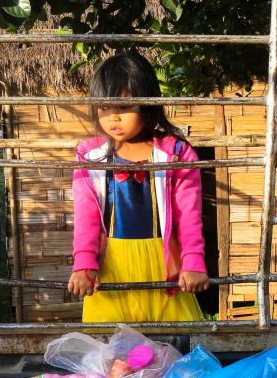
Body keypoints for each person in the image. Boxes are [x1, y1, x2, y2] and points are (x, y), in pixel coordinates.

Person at [68, 52, 209, 323]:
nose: (113, 119)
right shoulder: (90, 155)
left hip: (162, 263)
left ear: (147, 103)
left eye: (124, 107)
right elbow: (85, 216)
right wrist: (84, 263)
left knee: (171, 350)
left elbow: (189, 215)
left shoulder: (177, 154)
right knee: (114, 357)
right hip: (111, 267)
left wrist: (193, 261)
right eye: (104, 108)